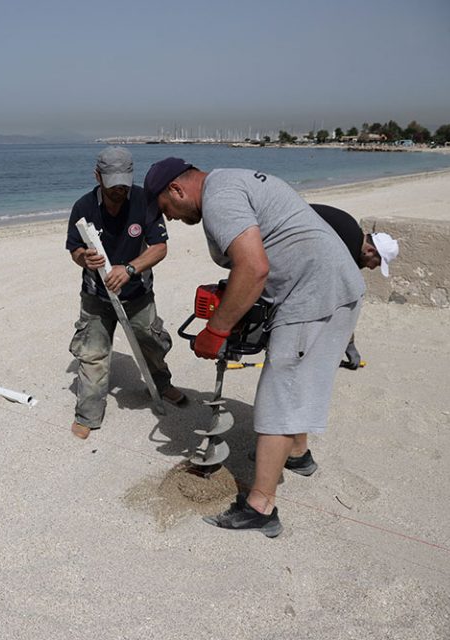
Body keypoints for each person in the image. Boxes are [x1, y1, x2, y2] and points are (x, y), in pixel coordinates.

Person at [144, 157, 365, 537]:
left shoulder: (219, 200)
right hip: (327, 284)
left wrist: (216, 329)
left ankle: (261, 508)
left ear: (177, 190)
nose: (175, 220)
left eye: (169, 210)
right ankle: (297, 454)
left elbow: (253, 268)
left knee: (279, 393)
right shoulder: (231, 180)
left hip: (313, 294)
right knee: (295, 382)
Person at [65, 147, 186, 441]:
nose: (119, 189)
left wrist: (129, 269)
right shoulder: (83, 206)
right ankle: (88, 413)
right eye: (112, 182)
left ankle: (161, 383)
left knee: (152, 343)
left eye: (124, 181)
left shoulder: (145, 201)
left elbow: (159, 247)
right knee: (92, 355)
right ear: (98, 176)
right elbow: (74, 248)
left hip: (137, 293)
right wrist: (84, 258)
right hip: (96, 296)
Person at [311, 203, 400, 367]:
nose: (372, 268)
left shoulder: (351, 232)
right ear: (371, 251)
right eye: (377, 263)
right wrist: (349, 344)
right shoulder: (348, 249)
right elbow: (341, 303)